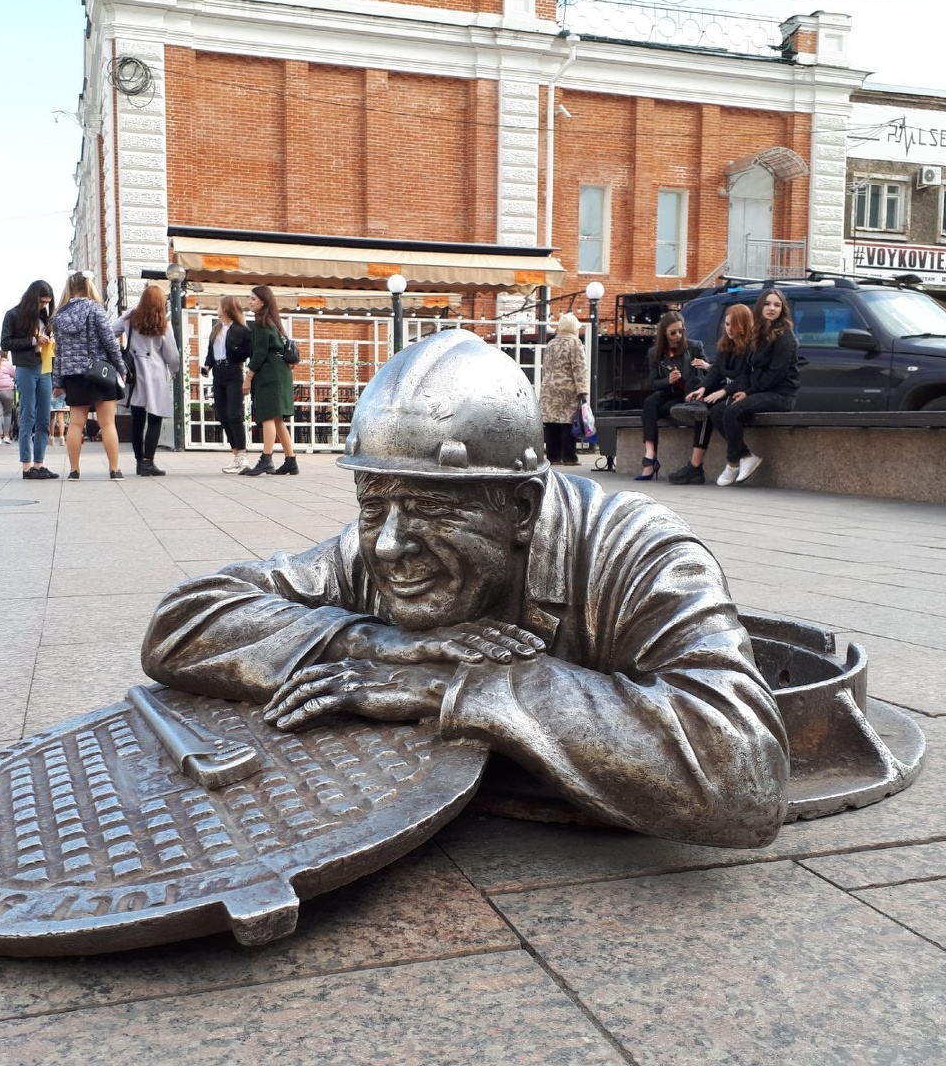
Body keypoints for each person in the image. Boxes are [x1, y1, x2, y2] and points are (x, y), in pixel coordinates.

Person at [141, 329, 788, 849]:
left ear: (523, 509)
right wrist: (382, 643)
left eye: (433, 508)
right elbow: (182, 623)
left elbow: (746, 774)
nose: (390, 543)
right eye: (373, 506)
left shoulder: (638, 550)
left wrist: (460, 687)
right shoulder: (370, 549)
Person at [51, 271, 129, 480]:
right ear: (88, 286)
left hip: (74, 376)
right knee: (107, 423)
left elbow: (58, 354)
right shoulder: (95, 308)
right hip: (100, 372)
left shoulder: (58, 317)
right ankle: (114, 469)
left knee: (76, 423)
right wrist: (121, 367)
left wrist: (58, 382)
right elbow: (110, 342)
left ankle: (74, 470)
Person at [718, 289, 799, 487]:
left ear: (782, 310)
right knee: (716, 411)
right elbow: (747, 369)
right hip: (759, 391)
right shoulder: (756, 334)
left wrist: (748, 393)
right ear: (760, 307)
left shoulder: (785, 336)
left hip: (780, 394)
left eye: (777, 305)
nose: (772, 308)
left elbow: (776, 374)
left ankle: (732, 463)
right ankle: (746, 455)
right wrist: (743, 389)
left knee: (732, 412)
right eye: (768, 304)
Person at [668, 303, 753, 485]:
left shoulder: (751, 348)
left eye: (734, 325)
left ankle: (701, 465)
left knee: (711, 409)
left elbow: (745, 378)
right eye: (727, 324)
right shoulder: (725, 346)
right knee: (702, 396)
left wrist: (722, 392)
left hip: (744, 393)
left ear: (745, 326)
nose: (729, 329)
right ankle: (695, 465)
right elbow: (716, 372)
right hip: (726, 391)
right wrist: (704, 389)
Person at [113, 284, 181, 477]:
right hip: (155, 373)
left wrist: (118, 356)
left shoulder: (130, 319)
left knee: (137, 420)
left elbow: (109, 332)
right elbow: (172, 355)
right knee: (155, 418)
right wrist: (174, 371)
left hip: (134, 372)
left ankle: (138, 461)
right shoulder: (163, 325)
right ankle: (148, 462)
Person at [634, 311, 704, 482]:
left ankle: (650, 462)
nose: (678, 336)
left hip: (688, 394)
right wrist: (668, 380)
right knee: (650, 403)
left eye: (681, 331)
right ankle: (650, 455)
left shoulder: (694, 347)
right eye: (673, 332)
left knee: (662, 407)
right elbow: (653, 383)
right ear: (664, 333)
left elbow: (708, 373)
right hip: (669, 394)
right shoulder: (655, 353)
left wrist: (705, 365)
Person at [1, 280, 58, 480]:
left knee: (44, 417)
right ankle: (26, 466)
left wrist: (49, 341)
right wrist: (34, 340)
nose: (44, 306)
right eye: (41, 302)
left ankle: (39, 464)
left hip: (45, 367)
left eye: (47, 303)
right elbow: (6, 342)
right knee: (27, 417)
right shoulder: (13, 314)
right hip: (25, 368)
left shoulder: (45, 317)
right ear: (33, 298)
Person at [239, 285, 298, 477]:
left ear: (263, 301)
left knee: (267, 417)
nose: (250, 302)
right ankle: (291, 461)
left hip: (269, 374)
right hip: (280, 373)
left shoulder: (262, 323)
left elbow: (259, 353)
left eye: (253, 299)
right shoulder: (274, 322)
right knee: (278, 420)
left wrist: (248, 378)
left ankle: (266, 460)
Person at [201, 295, 252, 473]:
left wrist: (248, 374)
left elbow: (248, 352)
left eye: (220, 306)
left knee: (234, 414)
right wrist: (207, 365)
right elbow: (211, 352)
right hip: (218, 374)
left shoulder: (241, 330)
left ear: (227, 308)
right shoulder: (216, 329)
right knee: (222, 414)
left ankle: (243, 456)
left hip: (233, 372)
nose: (218, 309)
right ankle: (236, 454)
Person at [537, 312, 588, 466]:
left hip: (549, 388)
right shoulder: (575, 343)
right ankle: (570, 457)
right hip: (568, 388)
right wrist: (583, 391)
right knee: (568, 423)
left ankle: (554, 457)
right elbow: (579, 368)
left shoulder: (551, 344)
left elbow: (545, 367)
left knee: (552, 423)